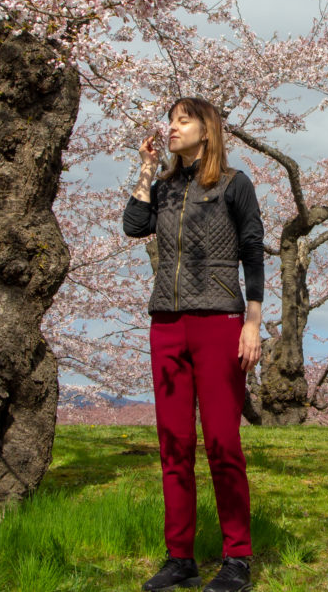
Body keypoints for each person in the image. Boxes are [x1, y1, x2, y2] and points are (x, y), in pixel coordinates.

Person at [123, 97, 263, 592]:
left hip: (220, 322)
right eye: (171, 120)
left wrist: (253, 322)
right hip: (166, 322)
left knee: (222, 442)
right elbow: (134, 226)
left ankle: (237, 559)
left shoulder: (233, 184)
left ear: (208, 131)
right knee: (174, 445)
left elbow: (252, 250)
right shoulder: (163, 187)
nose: (173, 127)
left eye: (184, 120)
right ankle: (179, 556)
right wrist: (145, 170)